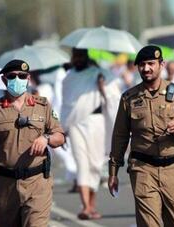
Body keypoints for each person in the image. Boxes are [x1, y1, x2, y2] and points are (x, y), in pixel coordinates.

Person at [108, 45, 174, 227]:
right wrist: (113, 172)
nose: (146, 68)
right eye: (142, 65)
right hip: (143, 169)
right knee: (148, 224)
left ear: (161, 65)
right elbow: (120, 136)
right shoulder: (129, 98)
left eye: (151, 63)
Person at [0, 59, 65, 226]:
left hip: (36, 182)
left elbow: (59, 136)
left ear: (28, 78)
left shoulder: (42, 105)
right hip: (4, 185)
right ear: (4, 79)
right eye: (12, 76)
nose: (18, 80)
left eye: (22, 76)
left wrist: (46, 138)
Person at [61, 48, 121, 219]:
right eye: (75, 56)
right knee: (82, 165)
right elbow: (67, 105)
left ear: (86, 57)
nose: (78, 59)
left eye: (81, 55)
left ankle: (91, 206)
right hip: (75, 125)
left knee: (95, 165)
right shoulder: (69, 78)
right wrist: (62, 129)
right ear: (73, 58)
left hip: (96, 122)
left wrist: (102, 87)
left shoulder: (99, 74)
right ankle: (85, 207)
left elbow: (112, 97)